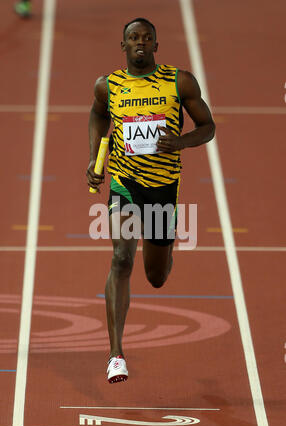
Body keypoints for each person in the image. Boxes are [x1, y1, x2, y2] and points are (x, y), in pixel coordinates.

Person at [86, 18, 215, 384]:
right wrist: (95, 160)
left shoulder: (180, 81)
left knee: (156, 276)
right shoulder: (107, 85)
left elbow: (208, 126)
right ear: (123, 45)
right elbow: (97, 116)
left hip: (163, 190)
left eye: (146, 38)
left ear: (156, 46)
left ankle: (164, 248)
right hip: (125, 184)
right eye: (133, 38)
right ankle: (115, 355)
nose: (139, 43)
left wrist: (182, 142)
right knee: (121, 258)